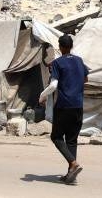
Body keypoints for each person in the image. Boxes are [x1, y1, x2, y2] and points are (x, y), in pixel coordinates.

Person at [39, 34, 89, 184]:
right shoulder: (79, 61)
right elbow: (85, 79)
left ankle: (73, 164)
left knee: (56, 137)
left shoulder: (58, 63)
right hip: (78, 105)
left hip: (63, 106)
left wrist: (42, 96)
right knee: (72, 140)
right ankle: (70, 175)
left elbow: (53, 85)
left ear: (60, 47)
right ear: (71, 46)